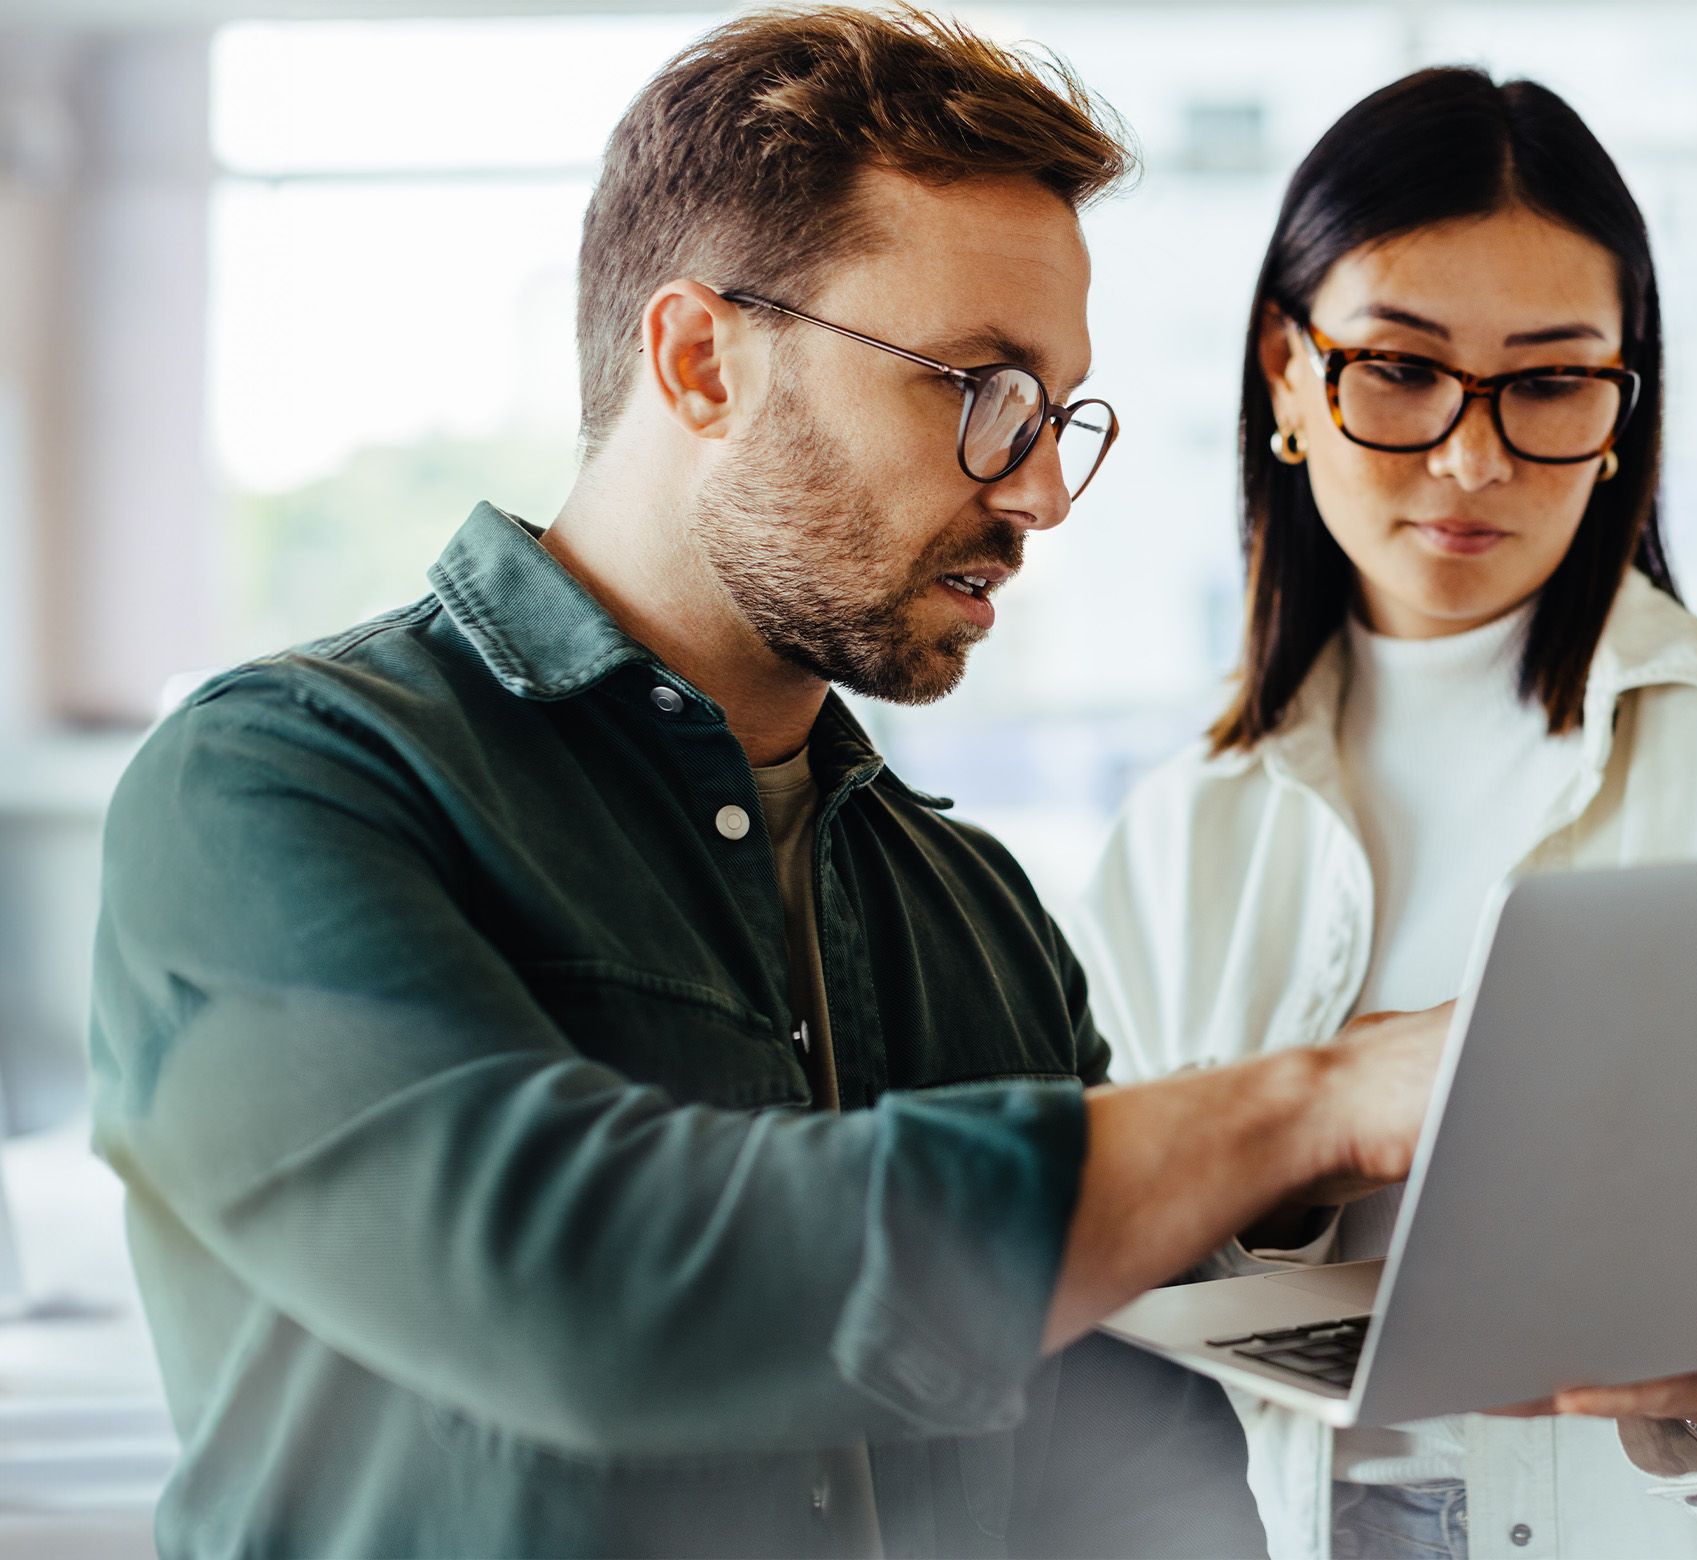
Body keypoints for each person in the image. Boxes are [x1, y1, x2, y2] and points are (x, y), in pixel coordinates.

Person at [86, 12, 1448, 1557]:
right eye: (983, 389)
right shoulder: (277, 788)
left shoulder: (973, 910)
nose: (1044, 489)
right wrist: (1309, 1105)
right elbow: (580, 1284)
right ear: (701, 360)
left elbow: (1133, 1477)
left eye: (1060, 413)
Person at [1071, 68, 1697, 1560]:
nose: (1475, 457)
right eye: (1399, 368)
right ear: (1284, 371)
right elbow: (1111, 1302)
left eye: (1546, 381)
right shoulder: (1180, 835)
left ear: (1620, 403)